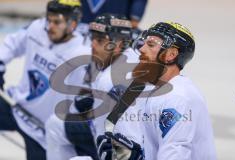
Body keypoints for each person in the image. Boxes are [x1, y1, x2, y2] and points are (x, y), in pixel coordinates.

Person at [97, 21, 217, 160]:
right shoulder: (146, 89)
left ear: (171, 54)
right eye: (144, 43)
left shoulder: (179, 98)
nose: (141, 49)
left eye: (151, 45)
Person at [0, 0, 90, 159]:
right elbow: (11, 44)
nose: (50, 26)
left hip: (42, 132)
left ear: (73, 24)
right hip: (16, 108)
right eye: (49, 20)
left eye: (57, 22)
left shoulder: (82, 55)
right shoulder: (37, 28)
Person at [45, 13, 138, 160]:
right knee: (57, 124)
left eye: (100, 40)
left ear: (119, 44)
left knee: (56, 127)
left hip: (127, 148)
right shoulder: (130, 57)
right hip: (128, 142)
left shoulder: (110, 78)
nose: (92, 44)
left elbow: (104, 137)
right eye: (93, 38)